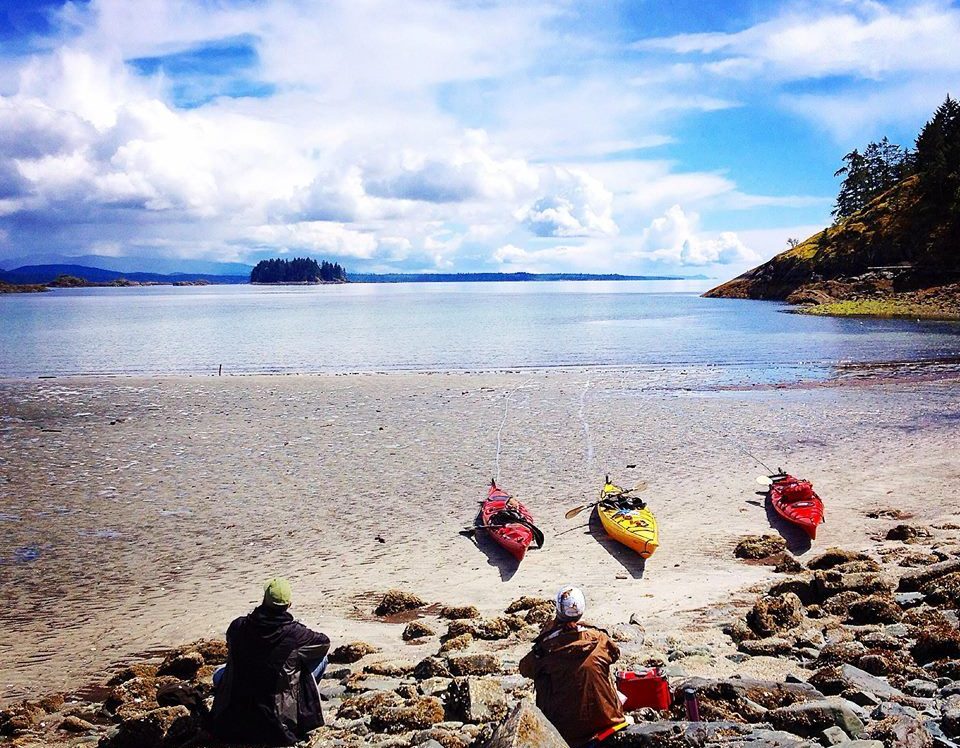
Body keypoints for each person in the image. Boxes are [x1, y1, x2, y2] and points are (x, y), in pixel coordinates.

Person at [210, 578, 331, 746]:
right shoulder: (294, 634)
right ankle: (300, 703)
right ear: (289, 604)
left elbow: (233, 646)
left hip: (233, 718)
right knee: (320, 660)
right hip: (276, 720)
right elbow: (324, 643)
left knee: (219, 672)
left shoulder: (237, 626)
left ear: (263, 600)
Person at [519, 585, 626, 747]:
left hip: (565, 732)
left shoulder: (546, 648)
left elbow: (525, 669)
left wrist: (547, 633)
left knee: (543, 676)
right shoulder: (600, 639)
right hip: (607, 719)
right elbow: (615, 653)